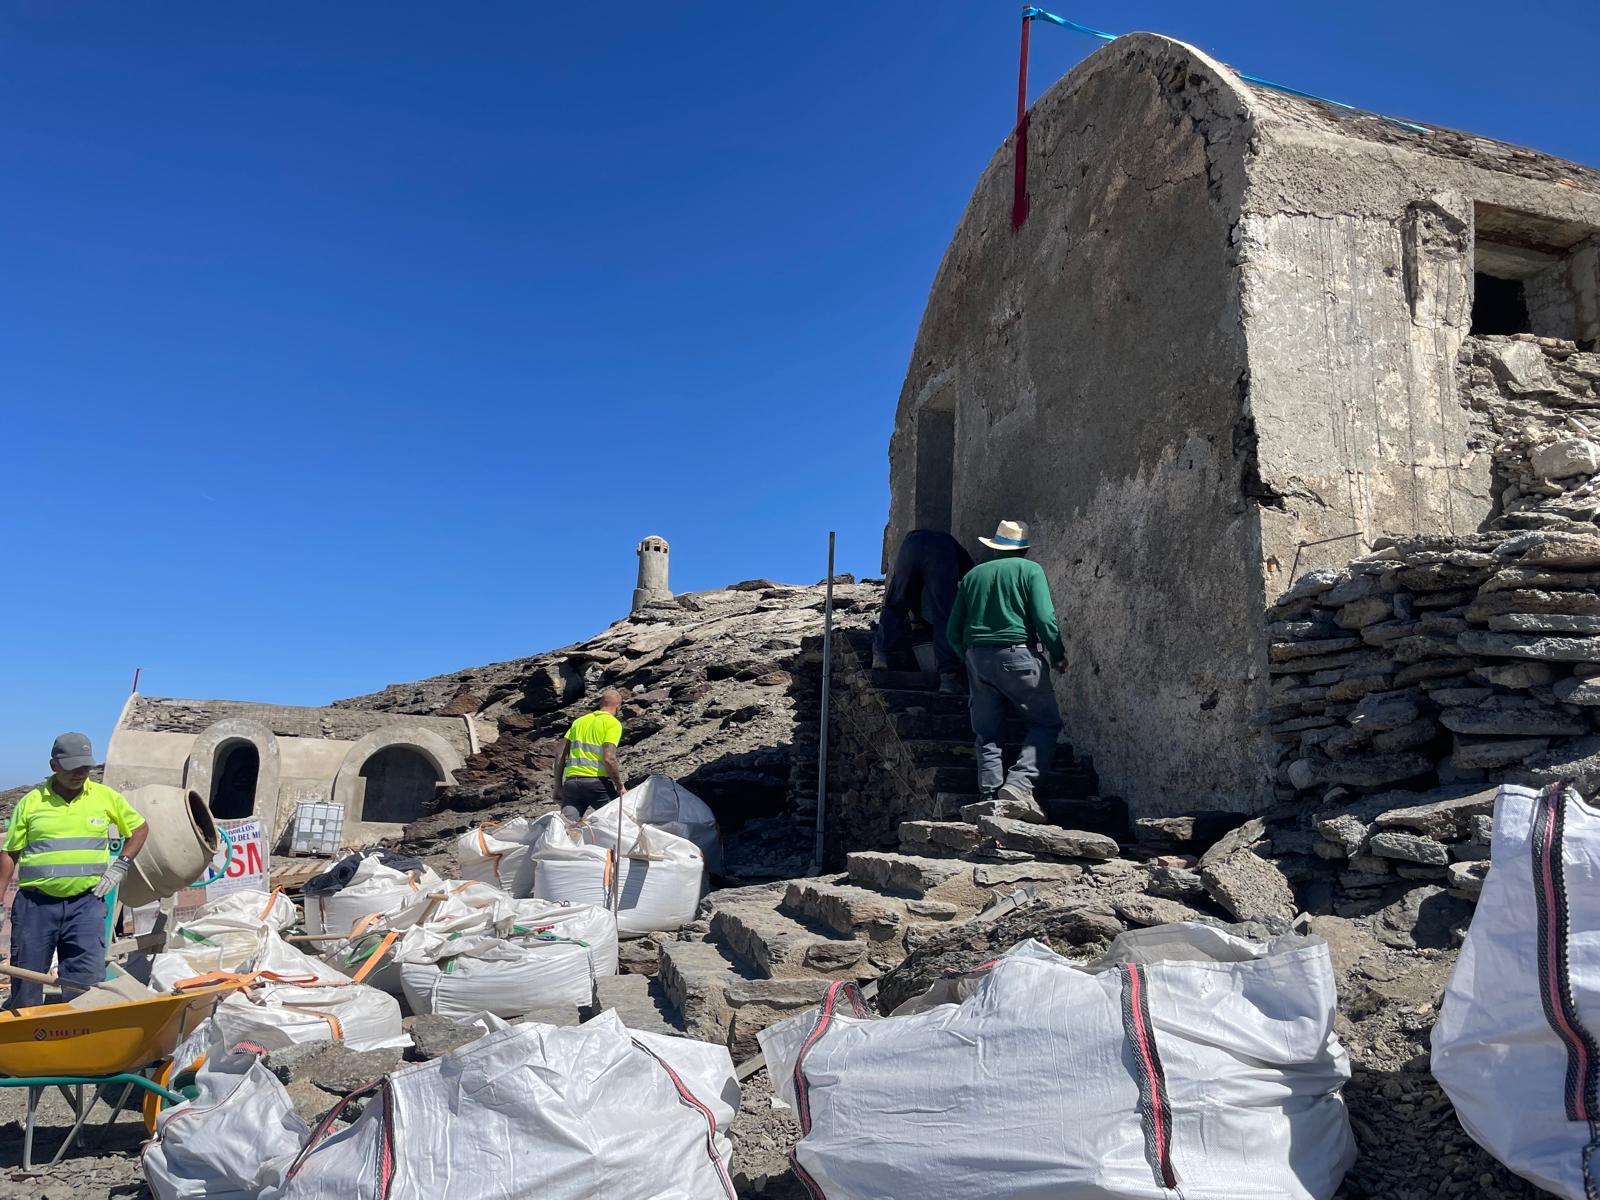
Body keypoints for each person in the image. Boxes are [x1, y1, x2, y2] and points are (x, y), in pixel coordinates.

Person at [0, 733, 149, 1008]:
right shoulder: (31, 803)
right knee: (27, 979)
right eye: (72, 767)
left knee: (85, 984)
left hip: (86, 904)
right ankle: (30, 1043)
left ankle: (80, 1039)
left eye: (85, 767)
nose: (80, 774)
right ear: (54, 765)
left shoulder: (105, 797)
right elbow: (10, 853)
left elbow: (139, 829)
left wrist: (121, 865)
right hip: (36, 906)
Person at [946, 519, 1066, 807]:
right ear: (1023, 549)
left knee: (987, 732)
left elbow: (952, 631)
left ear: (995, 547)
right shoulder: (1030, 570)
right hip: (1019, 654)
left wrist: (971, 658)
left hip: (977, 657)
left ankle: (989, 795)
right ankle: (1020, 784)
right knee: (1045, 723)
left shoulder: (973, 576)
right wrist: (1057, 653)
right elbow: (1044, 617)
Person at [872, 529, 975, 694]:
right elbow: (968, 580)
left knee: (895, 604)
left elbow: (913, 591)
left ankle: (881, 656)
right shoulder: (957, 553)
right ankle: (947, 678)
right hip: (941, 551)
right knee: (944, 616)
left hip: (910, 545)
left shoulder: (923, 540)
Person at [553, 689, 626, 820]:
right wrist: (619, 785)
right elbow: (609, 758)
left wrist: (558, 786)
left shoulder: (579, 722)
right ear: (618, 707)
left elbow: (560, 754)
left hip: (572, 784)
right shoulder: (612, 723)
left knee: (567, 827)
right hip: (596, 783)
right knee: (617, 820)